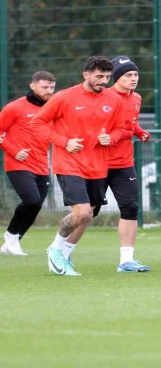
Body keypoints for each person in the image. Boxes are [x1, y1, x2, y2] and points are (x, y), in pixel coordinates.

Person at [31, 56, 126, 276]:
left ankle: (63, 256)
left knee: (88, 214)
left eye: (107, 77)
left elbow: (120, 129)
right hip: (68, 164)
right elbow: (37, 123)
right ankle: (55, 249)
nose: (103, 81)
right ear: (86, 75)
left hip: (98, 166)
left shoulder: (114, 100)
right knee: (81, 213)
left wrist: (110, 138)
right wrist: (65, 142)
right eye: (99, 76)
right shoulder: (64, 97)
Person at [94, 56, 152, 272]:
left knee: (130, 207)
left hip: (124, 163)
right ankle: (61, 251)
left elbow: (131, 124)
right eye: (128, 75)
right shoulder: (103, 97)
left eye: (136, 74)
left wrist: (140, 132)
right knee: (87, 212)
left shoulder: (136, 97)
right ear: (116, 77)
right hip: (98, 162)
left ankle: (126, 261)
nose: (134, 78)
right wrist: (123, 134)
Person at [0, 71, 56, 255]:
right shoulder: (14, 108)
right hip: (18, 163)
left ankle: (13, 241)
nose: (49, 90)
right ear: (32, 86)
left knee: (37, 204)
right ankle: (10, 238)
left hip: (41, 163)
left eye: (52, 87)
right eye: (44, 87)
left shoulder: (52, 108)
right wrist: (14, 151)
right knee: (31, 199)